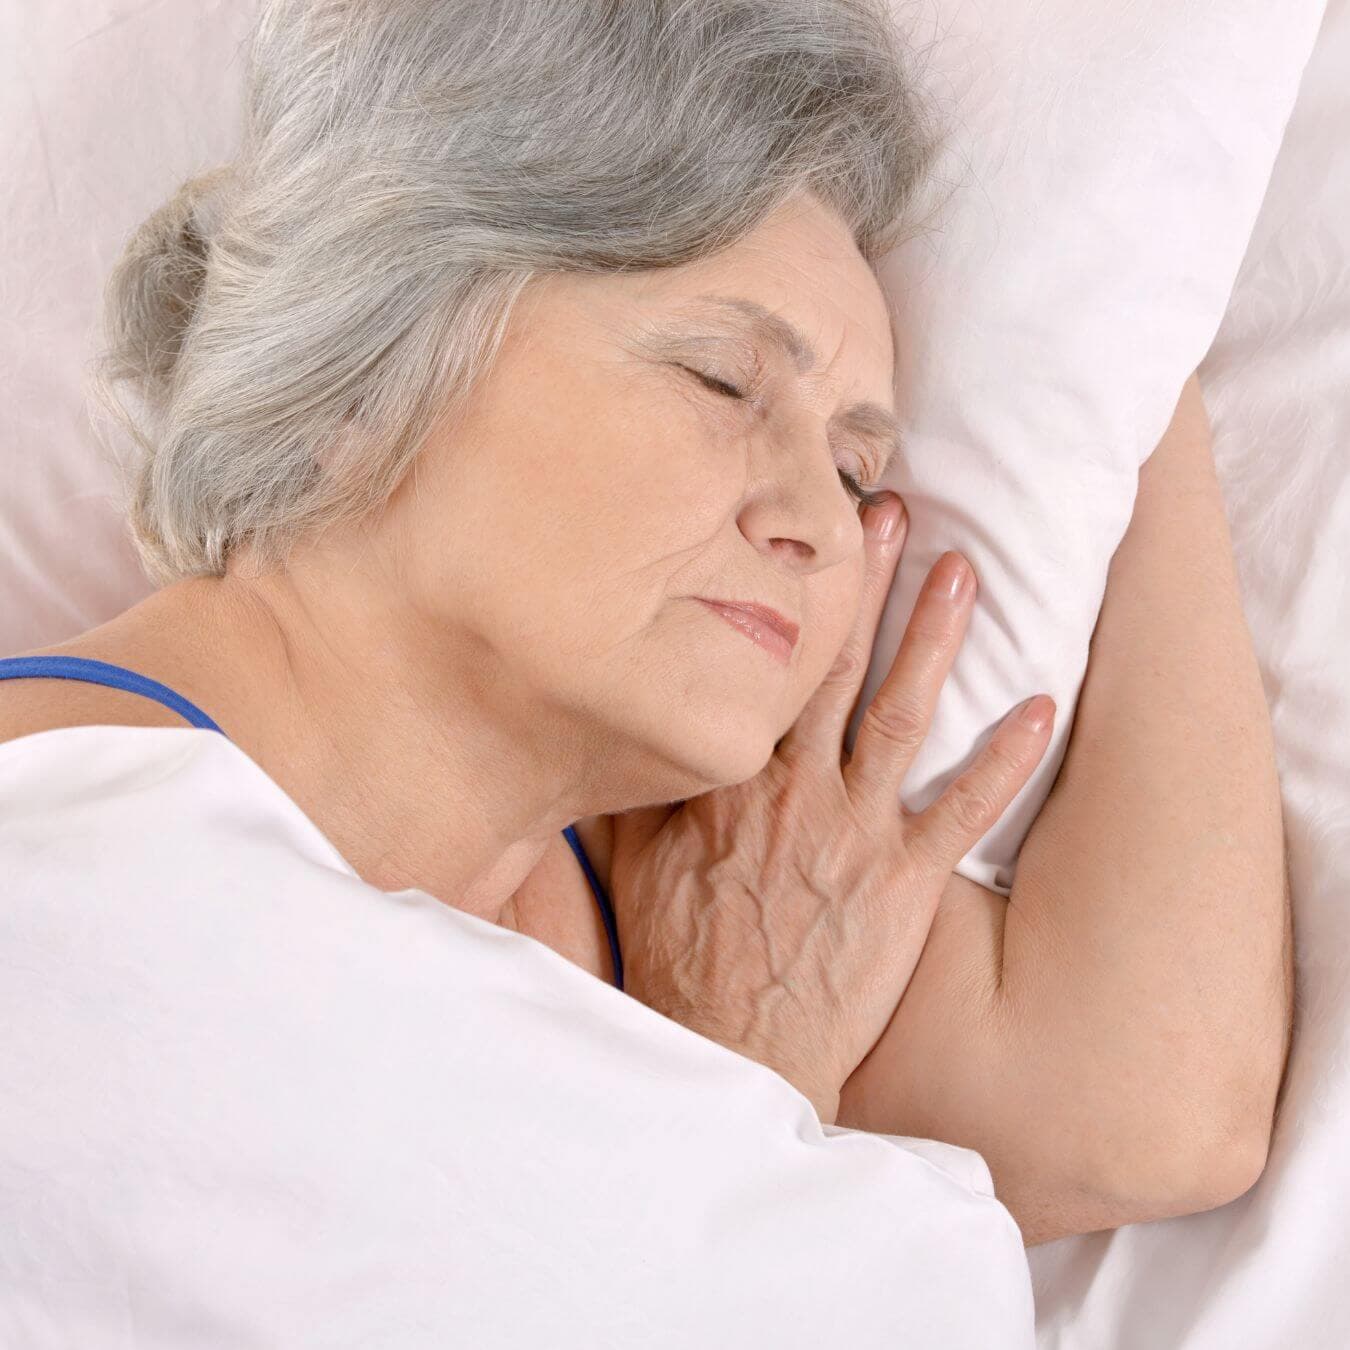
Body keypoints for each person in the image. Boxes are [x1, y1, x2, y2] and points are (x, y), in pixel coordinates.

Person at [0, 0, 1290, 1341]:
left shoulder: (701, 904)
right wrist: (741, 1092)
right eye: (720, 383)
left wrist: (1131, 331)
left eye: (857, 468)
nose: (816, 517)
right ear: (357, 378)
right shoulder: (60, 860)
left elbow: (1151, 1106)